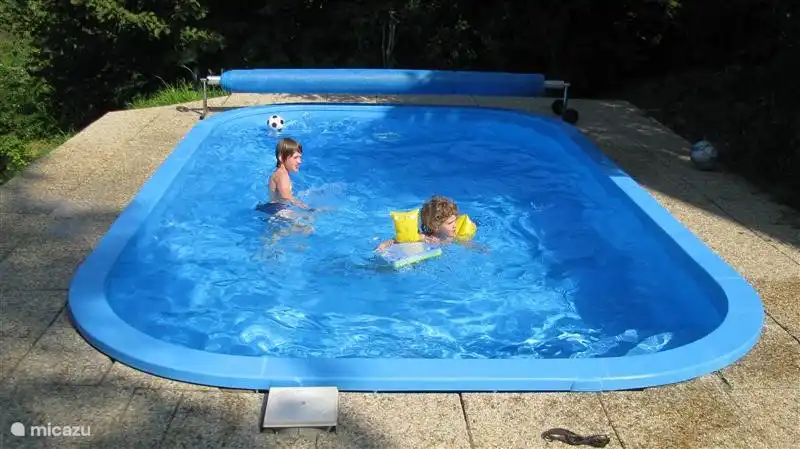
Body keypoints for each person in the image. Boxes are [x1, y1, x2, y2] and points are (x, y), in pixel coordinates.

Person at [375, 195, 463, 252]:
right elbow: (397, 240)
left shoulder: (453, 236)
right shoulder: (426, 237)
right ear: (435, 226)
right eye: (450, 223)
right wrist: (383, 245)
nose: (455, 225)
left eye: (455, 220)